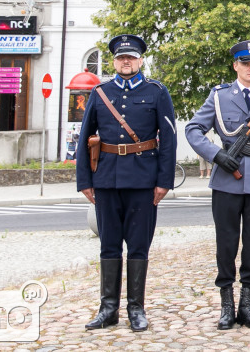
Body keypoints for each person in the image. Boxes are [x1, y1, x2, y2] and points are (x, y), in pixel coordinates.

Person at [76, 34, 176, 332]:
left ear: (140, 60)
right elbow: (85, 138)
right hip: (106, 179)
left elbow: (168, 140)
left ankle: (136, 308)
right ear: (114, 61)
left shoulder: (156, 92)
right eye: (121, 58)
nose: (126, 61)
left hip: (143, 181)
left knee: (138, 246)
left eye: (131, 57)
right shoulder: (100, 92)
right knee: (108, 245)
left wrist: (164, 181)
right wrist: (85, 180)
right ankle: (108, 309)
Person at [186, 40, 250, 331]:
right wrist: (216, 154)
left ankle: (247, 305)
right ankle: (227, 306)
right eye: (245, 63)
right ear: (236, 66)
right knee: (226, 244)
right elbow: (193, 130)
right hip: (227, 183)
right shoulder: (219, 96)